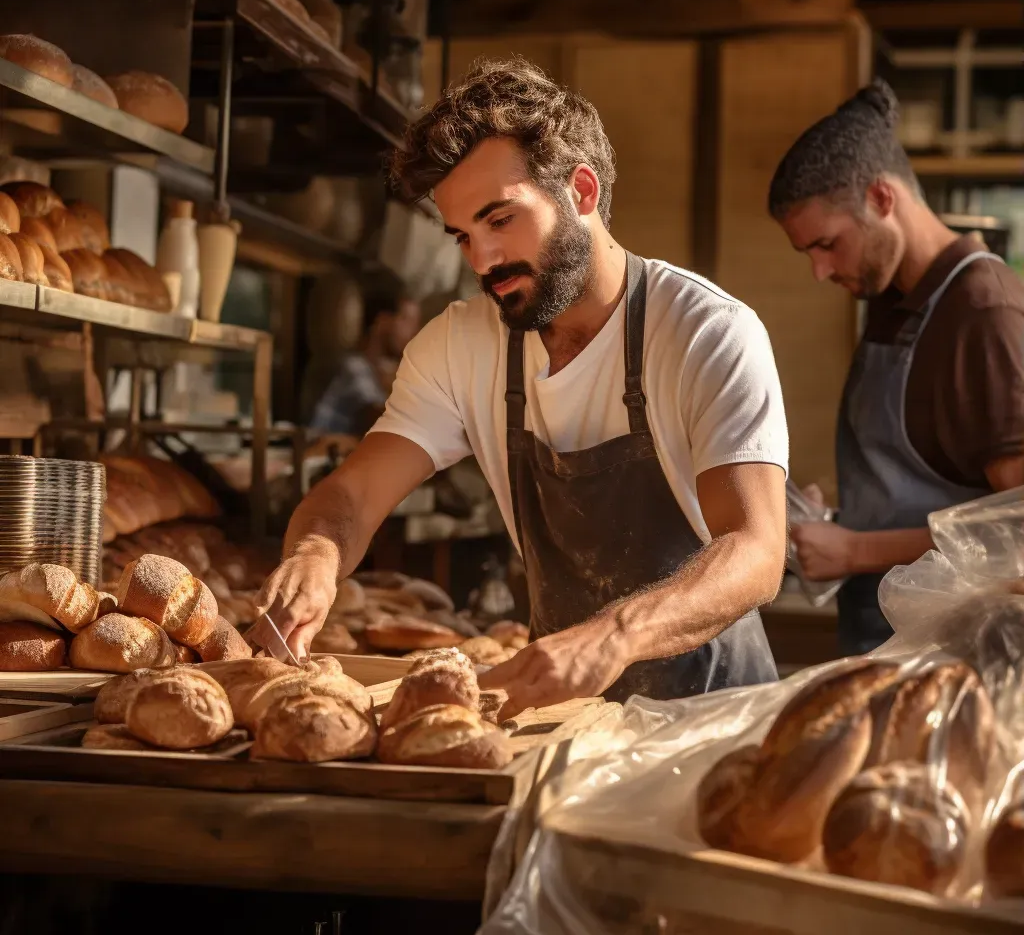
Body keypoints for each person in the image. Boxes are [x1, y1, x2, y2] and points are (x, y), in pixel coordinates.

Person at [254, 57, 789, 717]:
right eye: (462, 237)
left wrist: (612, 637)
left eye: (500, 220)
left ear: (582, 191)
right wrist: (316, 554)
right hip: (555, 719)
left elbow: (757, 549)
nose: (482, 262)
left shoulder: (707, 332)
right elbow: (354, 496)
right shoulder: (460, 346)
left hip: (712, 718)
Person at [770, 79, 1024, 656]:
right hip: (882, 646)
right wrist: (839, 508)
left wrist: (856, 549)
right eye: (807, 251)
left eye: (828, 245)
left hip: (958, 660)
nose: (819, 271)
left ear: (883, 199)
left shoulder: (984, 311)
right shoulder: (893, 299)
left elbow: (1019, 527)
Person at [309, 283, 421, 437]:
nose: (414, 332)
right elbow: (385, 422)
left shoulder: (378, 375)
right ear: (383, 321)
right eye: (407, 320)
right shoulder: (354, 368)